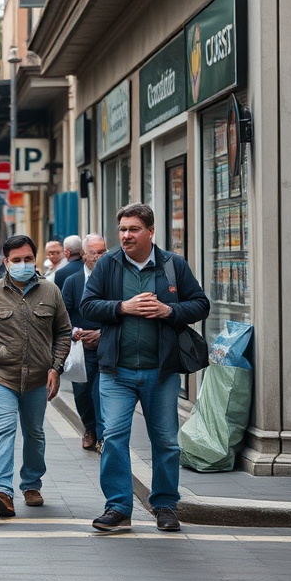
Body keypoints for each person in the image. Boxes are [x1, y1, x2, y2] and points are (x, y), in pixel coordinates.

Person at [81, 203, 210, 534]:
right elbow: (88, 305)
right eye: (122, 229)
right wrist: (122, 307)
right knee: (113, 438)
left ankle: (165, 506)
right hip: (116, 373)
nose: (126, 235)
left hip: (161, 373)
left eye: (133, 229)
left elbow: (200, 304)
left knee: (166, 441)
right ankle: (118, 508)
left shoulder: (172, 265)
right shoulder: (108, 264)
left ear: (150, 231)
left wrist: (169, 311)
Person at [0, 234, 71, 518]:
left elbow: (63, 332)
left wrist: (56, 367)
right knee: (4, 429)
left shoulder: (51, 291)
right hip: (2, 376)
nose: (23, 264)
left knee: (35, 433)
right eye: (16, 260)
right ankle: (2, 490)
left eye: (28, 259)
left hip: (38, 377)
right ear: (5, 262)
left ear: (35, 259)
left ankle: (31, 484)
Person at [62, 234, 108, 451]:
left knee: (102, 393)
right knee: (82, 392)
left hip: (107, 345)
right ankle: (89, 428)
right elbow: (63, 315)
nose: (98, 257)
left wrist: (101, 333)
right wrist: (76, 333)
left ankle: (102, 436)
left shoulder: (113, 279)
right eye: (94, 252)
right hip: (81, 348)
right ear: (83, 254)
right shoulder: (73, 282)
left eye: (102, 252)